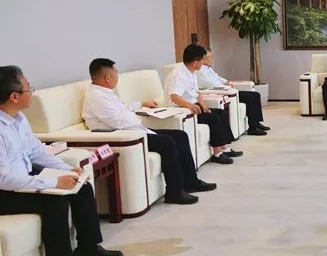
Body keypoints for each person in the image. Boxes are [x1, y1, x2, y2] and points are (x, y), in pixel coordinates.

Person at [0, 66, 123, 256]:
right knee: (55, 201)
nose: (32, 92)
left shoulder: (18, 118)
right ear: (14, 97)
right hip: (5, 190)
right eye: (29, 88)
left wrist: (66, 170)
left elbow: (36, 151)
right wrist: (54, 183)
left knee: (81, 185)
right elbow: (5, 178)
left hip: (22, 177)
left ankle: (88, 248)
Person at [82, 58, 216, 205]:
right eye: (116, 74)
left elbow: (123, 108)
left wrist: (141, 104)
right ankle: (174, 192)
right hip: (127, 135)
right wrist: (140, 123)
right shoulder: (96, 97)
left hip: (136, 130)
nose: (117, 77)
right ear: (108, 78)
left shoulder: (105, 92)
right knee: (167, 142)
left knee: (180, 135)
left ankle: (191, 182)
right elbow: (118, 121)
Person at [164, 45, 241, 164]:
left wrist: (203, 105)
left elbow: (197, 93)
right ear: (195, 62)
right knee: (213, 118)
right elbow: (174, 97)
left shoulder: (192, 72)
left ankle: (225, 148)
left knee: (221, 113)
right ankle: (217, 154)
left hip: (194, 106)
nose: (204, 62)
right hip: (182, 110)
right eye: (202, 60)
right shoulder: (178, 74)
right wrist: (190, 106)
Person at [197, 47, 270, 136]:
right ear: (204, 58)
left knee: (255, 95)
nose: (212, 59)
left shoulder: (208, 68)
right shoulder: (200, 71)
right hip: (222, 92)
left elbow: (217, 77)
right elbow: (210, 84)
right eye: (210, 57)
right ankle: (253, 128)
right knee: (250, 98)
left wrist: (226, 81)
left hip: (226, 89)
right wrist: (226, 86)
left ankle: (256, 123)